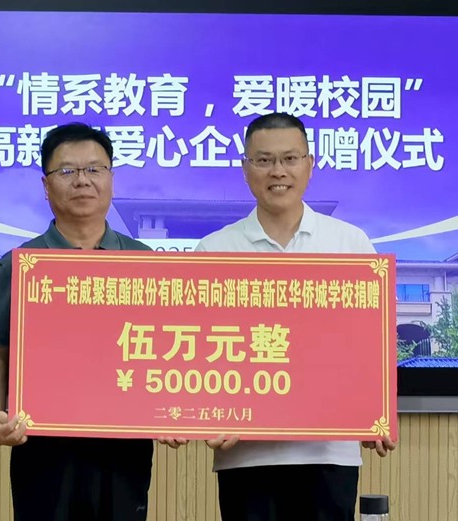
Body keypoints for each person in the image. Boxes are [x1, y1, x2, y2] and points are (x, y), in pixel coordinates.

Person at [160, 112, 396, 521]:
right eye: (264, 160)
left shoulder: (349, 243)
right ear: (245, 168)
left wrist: (378, 409)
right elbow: (193, 345)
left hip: (329, 452)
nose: (278, 171)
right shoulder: (215, 250)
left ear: (310, 164)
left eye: (290, 159)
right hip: (246, 456)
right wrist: (188, 412)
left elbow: (371, 341)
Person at [0, 123, 154, 521]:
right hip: (44, 447)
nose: (82, 181)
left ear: (111, 178)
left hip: (124, 445)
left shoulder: (145, 262)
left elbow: (166, 348)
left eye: (94, 169)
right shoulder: (21, 264)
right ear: (46, 185)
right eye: (67, 171)